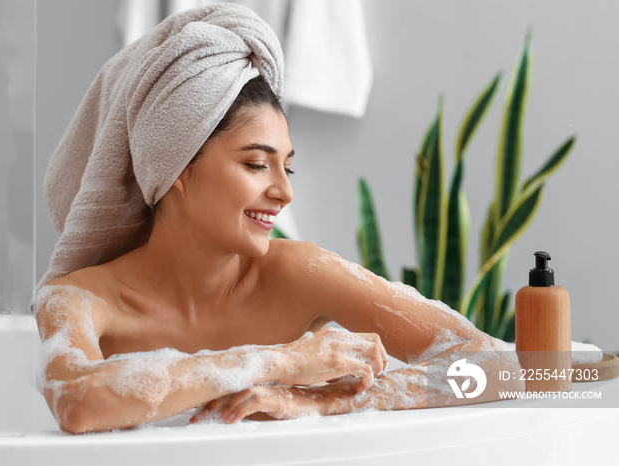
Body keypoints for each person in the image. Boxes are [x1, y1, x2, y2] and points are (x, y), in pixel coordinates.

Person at [35, 4, 521, 434]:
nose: (284, 191)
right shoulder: (77, 298)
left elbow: (509, 367)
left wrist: (325, 399)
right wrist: (278, 361)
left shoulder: (300, 273)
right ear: (176, 169)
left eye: (287, 166)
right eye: (254, 164)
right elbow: (76, 403)